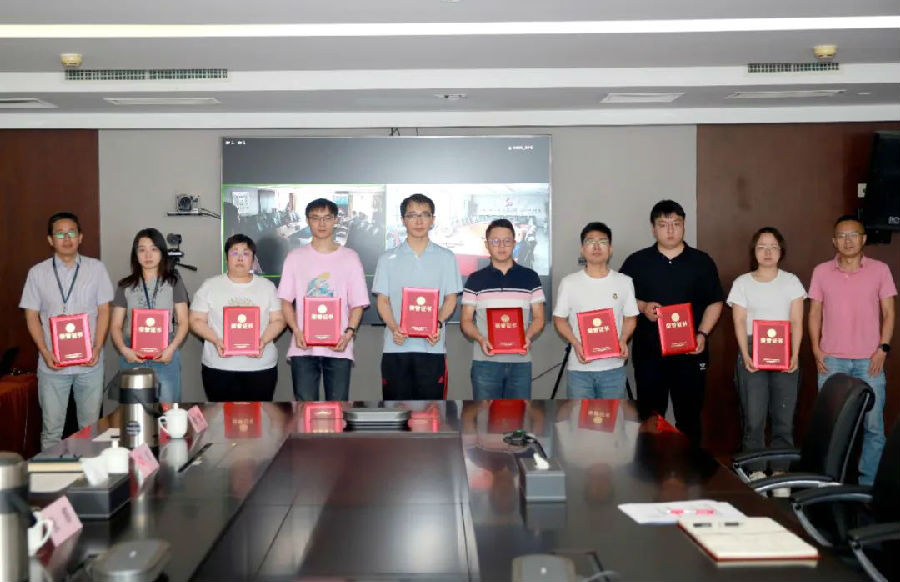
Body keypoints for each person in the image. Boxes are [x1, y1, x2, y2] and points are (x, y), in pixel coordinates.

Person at [620, 200, 724, 445]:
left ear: (684, 226)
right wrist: (643, 306)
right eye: (663, 224)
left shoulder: (701, 261)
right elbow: (620, 299)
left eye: (676, 224)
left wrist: (703, 334)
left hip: (690, 355)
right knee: (649, 420)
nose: (670, 230)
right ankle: (650, 468)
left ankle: (690, 469)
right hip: (650, 355)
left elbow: (715, 301)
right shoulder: (637, 262)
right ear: (653, 228)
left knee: (689, 419)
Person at [808, 215, 896, 485]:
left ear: (864, 239)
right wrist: (816, 349)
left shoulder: (880, 270)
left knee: (873, 426)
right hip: (831, 360)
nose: (848, 241)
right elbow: (814, 313)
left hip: (870, 361)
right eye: (842, 236)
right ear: (834, 241)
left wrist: (883, 348)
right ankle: (827, 483)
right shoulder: (821, 271)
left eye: (853, 235)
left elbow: (889, 312)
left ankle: (868, 487)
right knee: (831, 425)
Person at [20, 212, 114, 450]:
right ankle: (50, 474)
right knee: (52, 430)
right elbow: (31, 316)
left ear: (80, 237)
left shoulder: (96, 269)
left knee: (90, 428)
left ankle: (89, 472)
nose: (67, 238)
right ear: (50, 240)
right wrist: (44, 351)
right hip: (52, 365)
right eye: (60, 234)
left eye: (72, 232)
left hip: (90, 364)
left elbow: (104, 310)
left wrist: (97, 347)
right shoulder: (37, 273)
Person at [727, 227, 806, 482]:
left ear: (781, 251)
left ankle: (781, 473)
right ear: (754, 251)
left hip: (785, 352)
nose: (767, 252)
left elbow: (797, 320)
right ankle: (756, 472)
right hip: (752, 351)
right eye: (762, 247)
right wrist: (745, 354)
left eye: (773, 247)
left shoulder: (791, 281)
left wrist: (795, 354)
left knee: (784, 417)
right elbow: (739, 321)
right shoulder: (742, 283)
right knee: (754, 417)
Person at [372, 193, 462, 399]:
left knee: (431, 412)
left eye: (425, 215)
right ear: (403, 220)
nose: (419, 221)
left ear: (433, 220)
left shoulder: (447, 258)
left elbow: (451, 299)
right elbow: (383, 301)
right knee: (396, 410)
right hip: (396, 347)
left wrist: (436, 324)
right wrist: (394, 328)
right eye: (412, 215)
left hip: (432, 348)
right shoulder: (387, 258)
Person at [278, 198, 369, 401]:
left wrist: (349, 333)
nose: (321, 223)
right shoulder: (295, 257)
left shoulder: (350, 257)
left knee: (337, 409)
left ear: (336, 220)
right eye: (315, 218)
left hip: (339, 346)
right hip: (303, 347)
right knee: (304, 409)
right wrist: (296, 330)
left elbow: (357, 303)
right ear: (307, 220)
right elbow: (285, 301)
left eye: (327, 218)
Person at [190, 234, 285, 401]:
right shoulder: (210, 286)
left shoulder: (267, 287)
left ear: (253, 259)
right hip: (219, 367)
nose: (240, 258)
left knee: (259, 416)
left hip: (260, 367)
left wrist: (262, 341)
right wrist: (216, 340)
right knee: (220, 416)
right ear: (226, 258)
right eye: (234, 253)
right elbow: (195, 320)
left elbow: (278, 320)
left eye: (246, 253)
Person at [461, 219, 545, 399]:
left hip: (520, 363)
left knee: (519, 415)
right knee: (484, 414)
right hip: (485, 362)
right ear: (487, 245)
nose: (501, 246)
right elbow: (466, 321)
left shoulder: (530, 277)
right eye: (495, 241)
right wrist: (480, 339)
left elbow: (539, 318)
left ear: (514, 243)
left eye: (507, 241)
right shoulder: (475, 279)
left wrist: (528, 336)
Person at [553, 222, 638, 398]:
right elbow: (559, 319)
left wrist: (623, 339)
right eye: (590, 241)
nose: (597, 246)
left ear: (610, 249)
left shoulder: (624, 282)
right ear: (582, 250)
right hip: (580, 369)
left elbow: (631, 317)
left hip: (613, 368)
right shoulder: (569, 283)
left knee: (613, 416)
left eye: (603, 241)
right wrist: (575, 343)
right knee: (579, 415)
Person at [109, 228, 190, 403]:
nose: (148, 255)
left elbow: (184, 322)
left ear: (162, 253)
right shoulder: (125, 285)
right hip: (133, 353)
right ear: (135, 255)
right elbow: (115, 325)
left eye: (154, 249)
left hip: (165, 353)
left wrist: (171, 348)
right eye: (142, 250)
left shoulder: (173, 282)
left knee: (167, 410)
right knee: (135, 412)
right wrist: (124, 350)